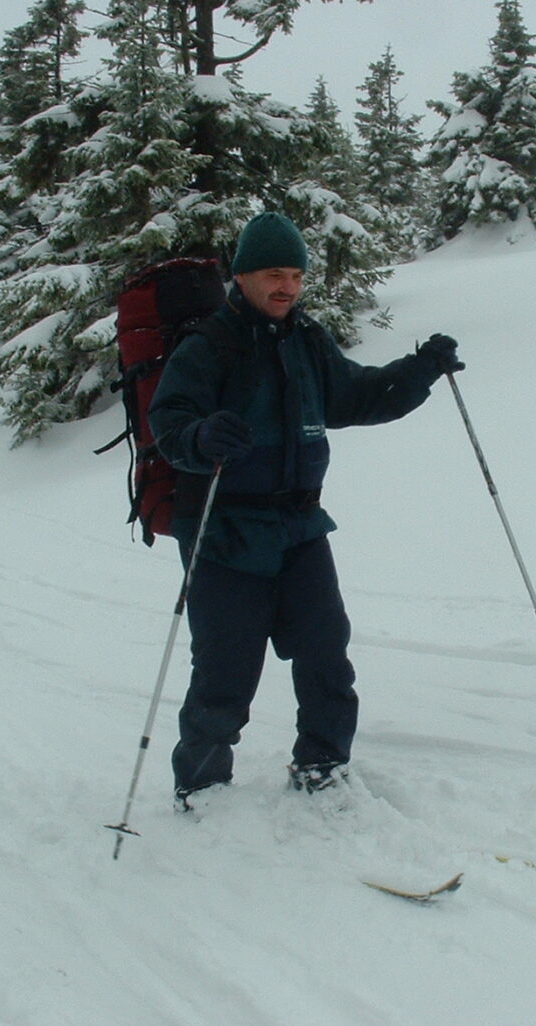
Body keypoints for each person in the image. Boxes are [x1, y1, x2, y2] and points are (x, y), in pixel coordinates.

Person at [147, 211, 462, 807]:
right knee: (225, 672)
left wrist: (419, 371)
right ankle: (202, 786)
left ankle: (323, 766)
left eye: (294, 274)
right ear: (241, 276)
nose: (286, 286)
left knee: (325, 653)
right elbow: (170, 422)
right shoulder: (208, 345)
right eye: (272, 273)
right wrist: (200, 437)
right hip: (224, 530)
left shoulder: (307, 340)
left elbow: (358, 396)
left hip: (299, 525)